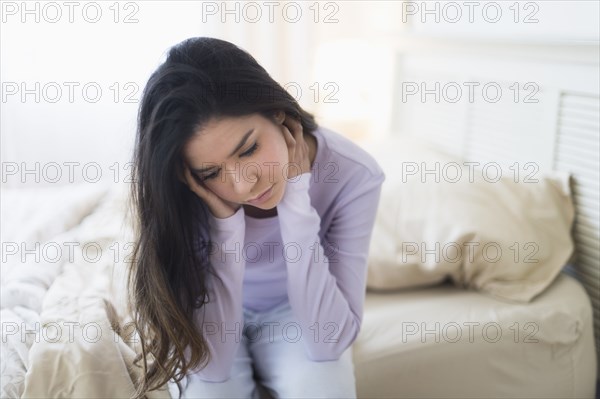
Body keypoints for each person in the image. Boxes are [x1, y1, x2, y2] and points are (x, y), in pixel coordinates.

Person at [127, 36, 385, 399]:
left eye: (248, 150)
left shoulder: (354, 174)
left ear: (279, 113)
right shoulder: (180, 190)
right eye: (212, 172)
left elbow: (330, 342)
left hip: (295, 313)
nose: (243, 184)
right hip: (209, 306)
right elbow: (212, 368)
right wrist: (226, 229)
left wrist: (296, 198)